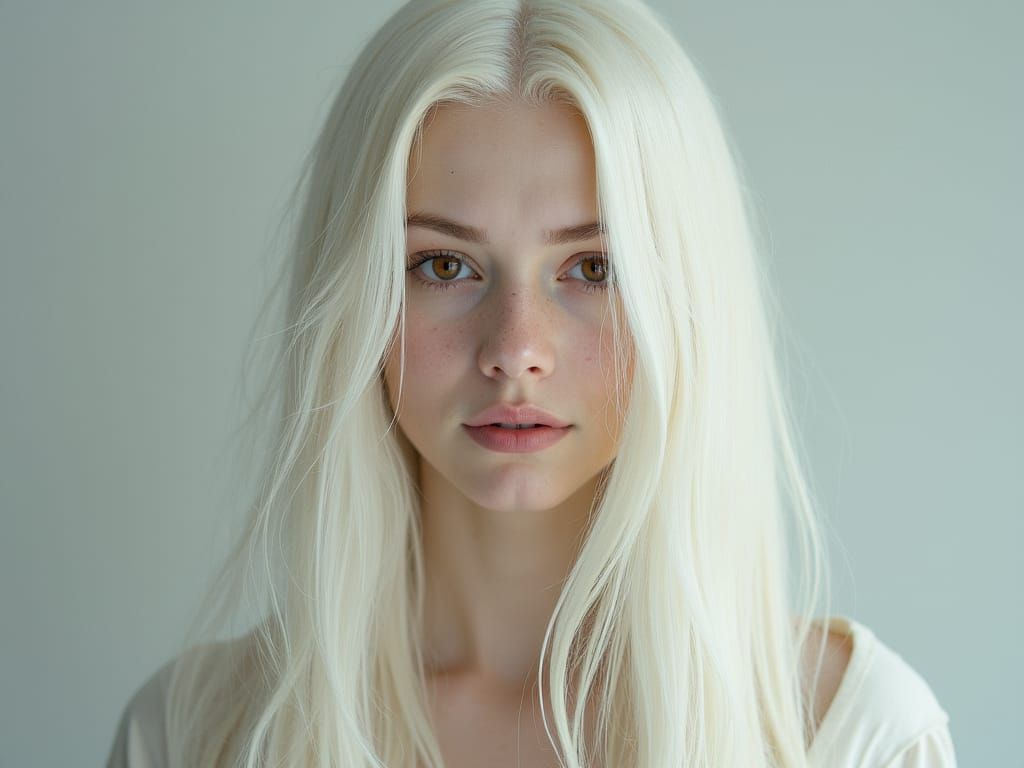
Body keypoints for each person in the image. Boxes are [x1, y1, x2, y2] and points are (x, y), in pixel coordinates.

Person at [106, 1, 956, 766]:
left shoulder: (854, 736)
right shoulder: (194, 737)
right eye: (443, 264)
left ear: (691, 305)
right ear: (352, 302)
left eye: (594, 266)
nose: (516, 350)